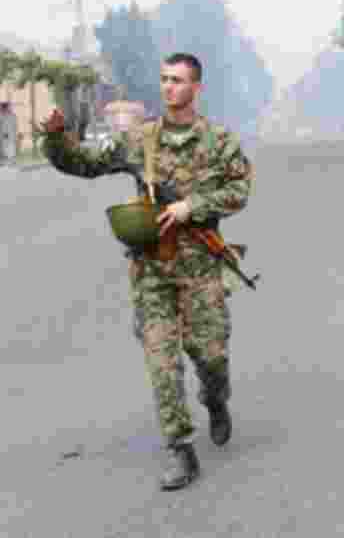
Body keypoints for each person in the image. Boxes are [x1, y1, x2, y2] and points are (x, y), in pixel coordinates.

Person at [37, 52, 253, 490]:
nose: (169, 87)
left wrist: (192, 205)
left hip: (200, 267)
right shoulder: (141, 139)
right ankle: (181, 449)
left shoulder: (218, 141)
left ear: (197, 87)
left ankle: (216, 400)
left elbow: (240, 189)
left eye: (178, 80)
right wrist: (57, 139)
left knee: (211, 356)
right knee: (161, 362)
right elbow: (85, 164)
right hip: (151, 267)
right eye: (164, 80)